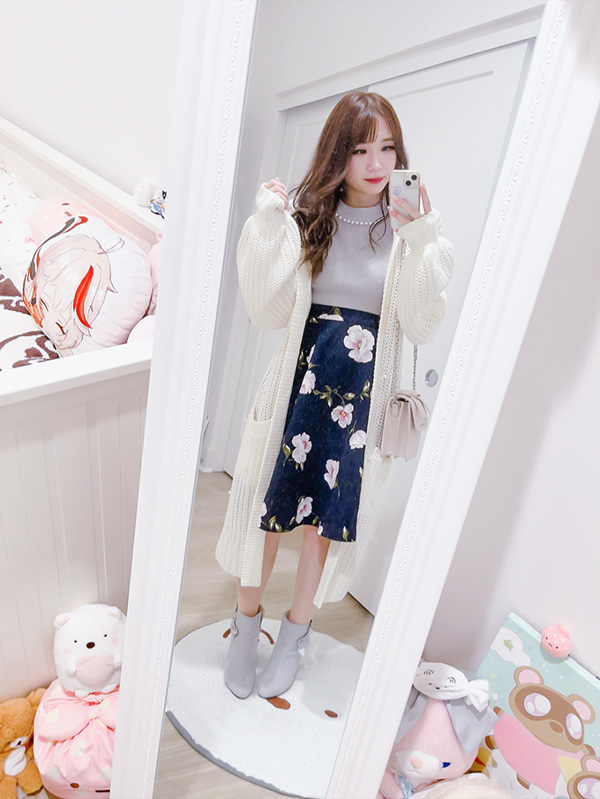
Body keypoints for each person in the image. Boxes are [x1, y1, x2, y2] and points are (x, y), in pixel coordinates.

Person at [216, 91, 454, 700]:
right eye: (360, 149)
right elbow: (266, 311)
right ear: (337, 156)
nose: (376, 164)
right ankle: (246, 627)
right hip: (298, 388)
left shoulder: (410, 233)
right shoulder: (307, 221)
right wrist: (266, 225)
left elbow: (421, 322)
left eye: (387, 148)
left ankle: (294, 637)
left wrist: (422, 239)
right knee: (268, 514)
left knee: (323, 526)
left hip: (360, 402)